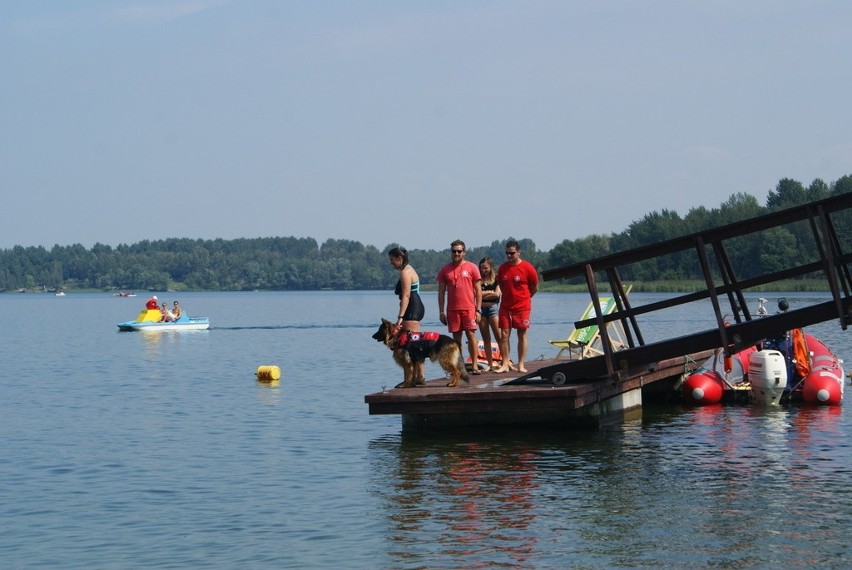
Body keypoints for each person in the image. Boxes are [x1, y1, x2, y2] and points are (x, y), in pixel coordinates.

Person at [436, 240, 483, 373]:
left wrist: (478, 310)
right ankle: (459, 366)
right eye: (454, 251)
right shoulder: (445, 269)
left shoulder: (472, 267)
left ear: (464, 252)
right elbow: (441, 292)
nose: (456, 253)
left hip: (469, 308)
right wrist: (441, 311)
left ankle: (474, 365)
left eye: (459, 251)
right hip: (452, 309)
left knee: (471, 336)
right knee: (456, 340)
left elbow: (478, 290)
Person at [493, 239, 539, 374]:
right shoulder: (502, 268)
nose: (509, 256)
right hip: (506, 306)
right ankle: (505, 363)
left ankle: (521, 364)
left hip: (522, 306)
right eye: (507, 253)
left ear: (518, 252)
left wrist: (526, 298)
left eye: (512, 253)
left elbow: (534, 287)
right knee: (504, 334)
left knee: (522, 333)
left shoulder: (527, 267)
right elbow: (501, 285)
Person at [388, 246, 426, 382]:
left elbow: (406, 295)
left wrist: (400, 317)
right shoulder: (409, 269)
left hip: (412, 309)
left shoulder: (405, 272)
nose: (391, 263)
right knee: (416, 345)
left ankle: (411, 379)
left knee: (409, 346)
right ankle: (419, 377)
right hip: (415, 307)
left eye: (392, 260)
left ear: (399, 258)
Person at [478, 256, 502, 371]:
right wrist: (488, 292)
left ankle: (504, 360)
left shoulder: (496, 279)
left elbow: (497, 294)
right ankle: (490, 363)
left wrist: (482, 294)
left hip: (492, 308)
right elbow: (475, 294)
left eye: (486, 268)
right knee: (486, 338)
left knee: (499, 336)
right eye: (482, 268)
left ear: (491, 267)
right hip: (481, 310)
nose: (483, 270)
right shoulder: (478, 280)